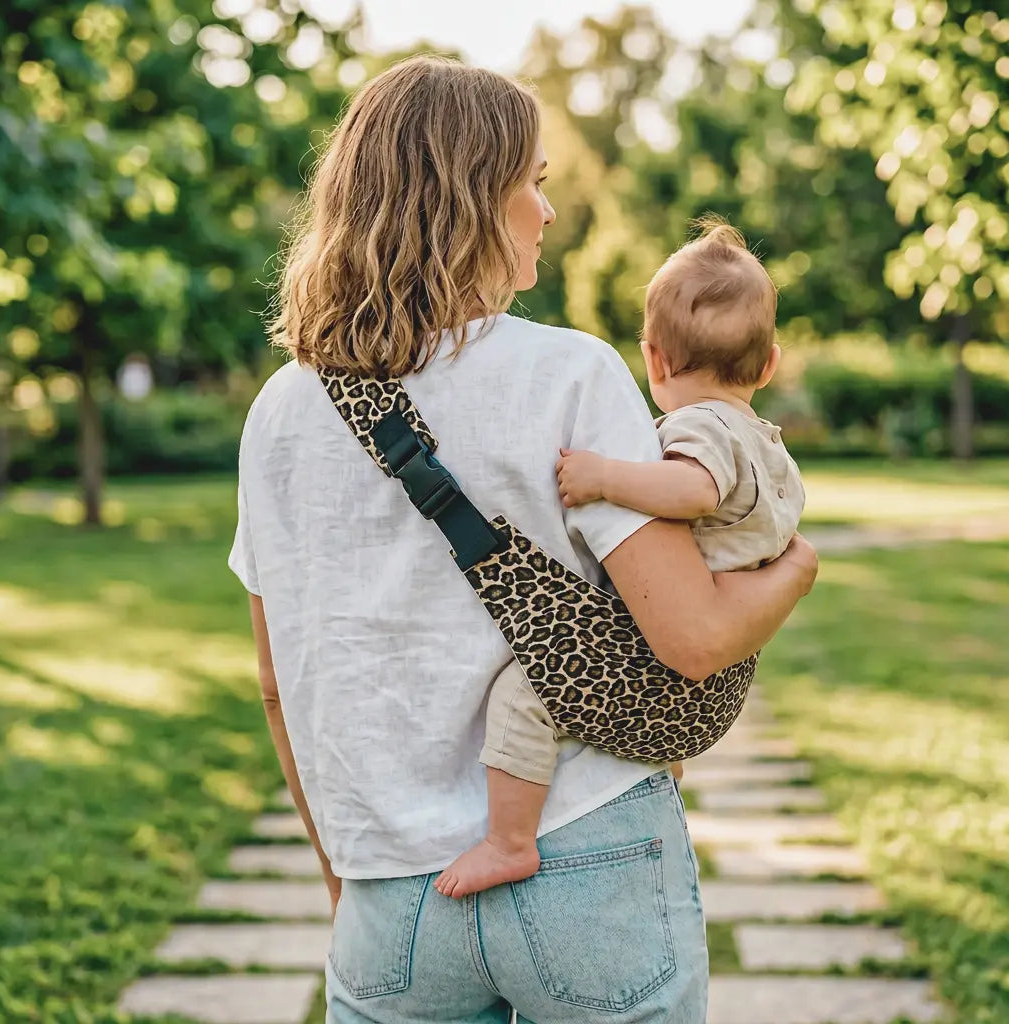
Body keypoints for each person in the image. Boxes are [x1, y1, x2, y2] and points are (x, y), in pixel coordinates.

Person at [229, 55, 817, 1024]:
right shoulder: (571, 373)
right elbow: (693, 639)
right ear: (470, 197)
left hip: (390, 888)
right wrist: (796, 570)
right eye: (532, 184)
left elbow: (278, 688)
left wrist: (347, 876)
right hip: (587, 849)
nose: (547, 212)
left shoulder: (280, 412)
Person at [435, 219, 806, 900]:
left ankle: (508, 841)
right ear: (770, 364)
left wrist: (606, 477)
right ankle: (657, 759)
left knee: (526, 691)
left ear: (654, 360)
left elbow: (693, 490)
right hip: (722, 662)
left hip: (660, 641)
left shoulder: (700, 427)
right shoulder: (763, 438)